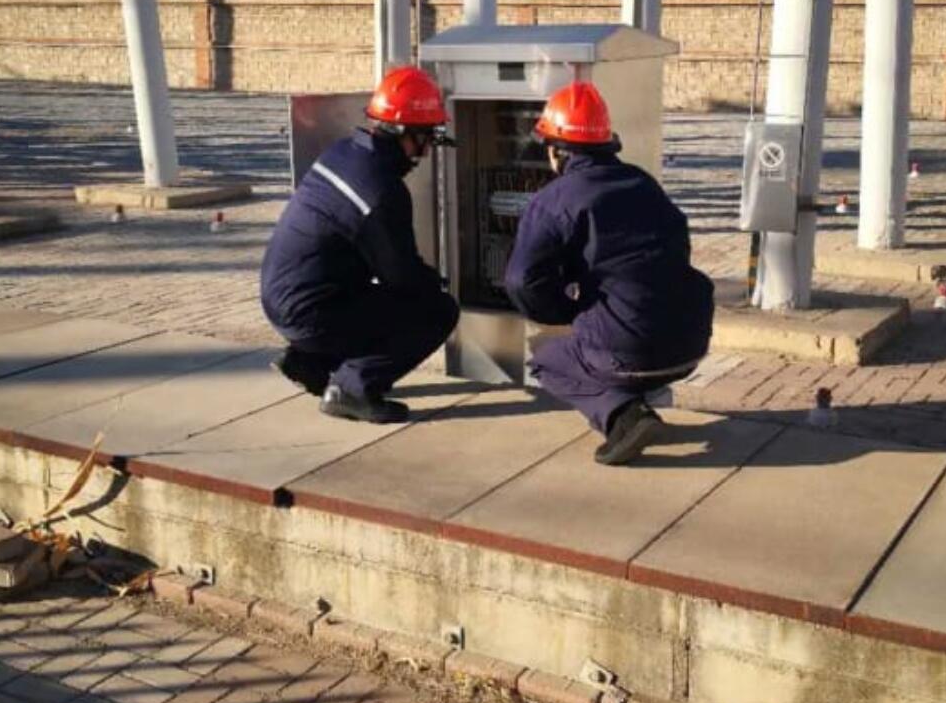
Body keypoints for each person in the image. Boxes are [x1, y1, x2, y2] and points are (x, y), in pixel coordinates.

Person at [503, 82, 714, 466]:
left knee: (546, 359)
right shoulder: (643, 183)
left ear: (556, 151)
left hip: (631, 351)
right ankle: (632, 390)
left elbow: (522, 281)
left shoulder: (554, 200)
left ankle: (624, 416)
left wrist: (563, 313)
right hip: (691, 344)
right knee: (621, 326)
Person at [260, 66, 459, 424]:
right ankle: (352, 388)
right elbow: (400, 276)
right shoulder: (381, 190)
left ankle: (310, 363)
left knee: (376, 295)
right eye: (426, 137)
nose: (427, 151)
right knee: (437, 310)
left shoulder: (344, 153)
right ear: (403, 132)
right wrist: (437, 282)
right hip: (309, 311)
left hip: (280, 295)